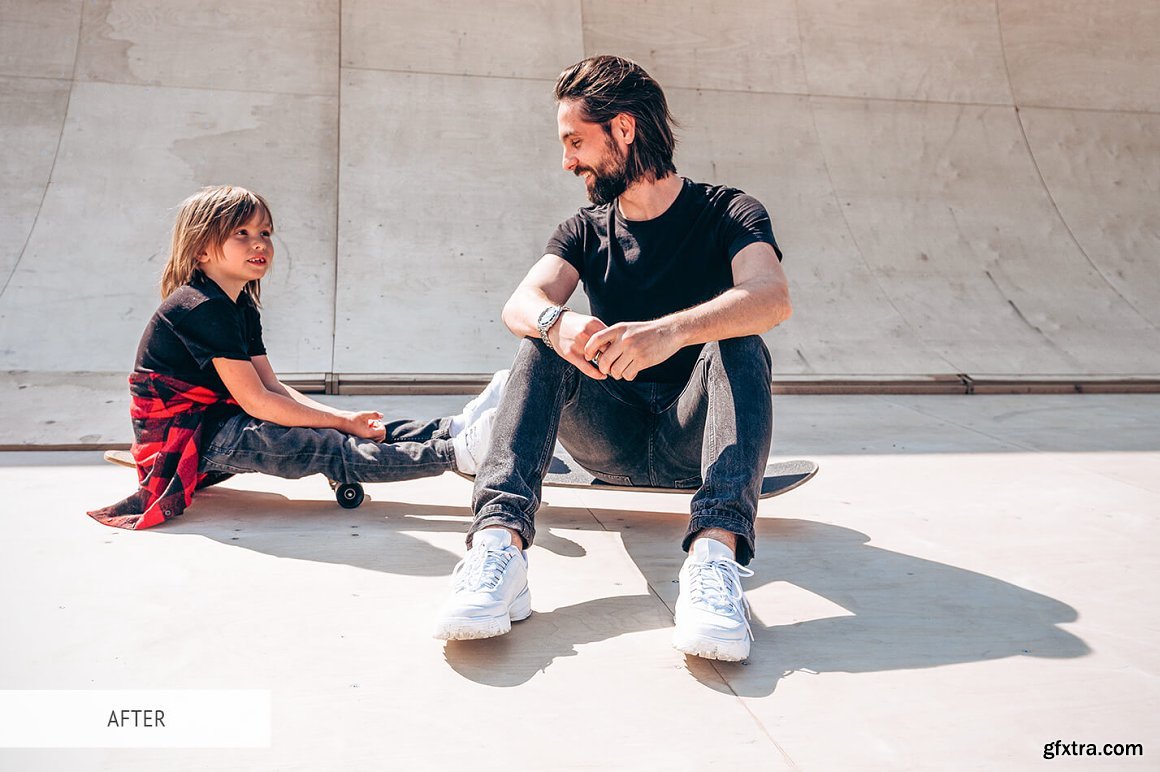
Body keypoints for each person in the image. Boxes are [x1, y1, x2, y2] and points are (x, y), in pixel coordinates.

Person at [433, 56, 792, 662]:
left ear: (623, 129)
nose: (567, 161)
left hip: (693, 439)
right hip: (608, 437)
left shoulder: (728, 211)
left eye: (576, 141)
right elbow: (520, 302)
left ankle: (714, 559)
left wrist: (670, 333)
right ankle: (498, 548)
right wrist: (558, 324)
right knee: (541, 338)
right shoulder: (584, 229)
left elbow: (771, 296)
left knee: (741, 336)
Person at [89, 185, 503, 531]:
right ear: (201, 251)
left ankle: (452, 428)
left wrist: (343, 417)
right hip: (191, 438)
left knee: (351, 427)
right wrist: (337, 423)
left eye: (265, 232)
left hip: (219, 419)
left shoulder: (238, 304)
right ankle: (455, 453)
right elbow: (258, 402)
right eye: (242, 233)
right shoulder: (200, 306)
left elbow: (271, 386)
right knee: (323, 445)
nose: (260, 243)